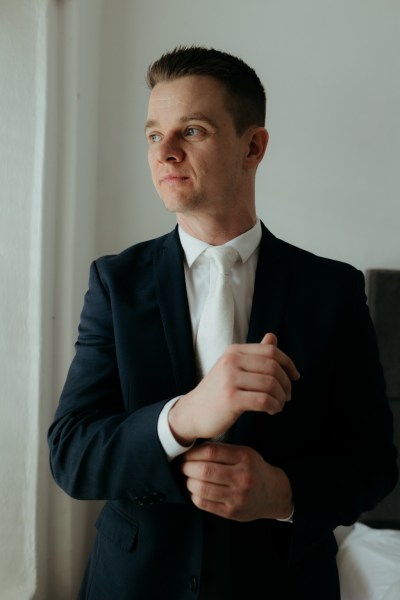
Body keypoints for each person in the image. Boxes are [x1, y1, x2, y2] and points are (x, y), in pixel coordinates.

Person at [48, 46, 398, 600]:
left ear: (252, 146)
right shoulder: (115, 283)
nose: (164, 152)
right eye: (152, 134)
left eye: (192, 130)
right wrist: (183, 416)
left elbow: (375, 462)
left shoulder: (332, 290)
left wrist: (281, 493)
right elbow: (71, 455)